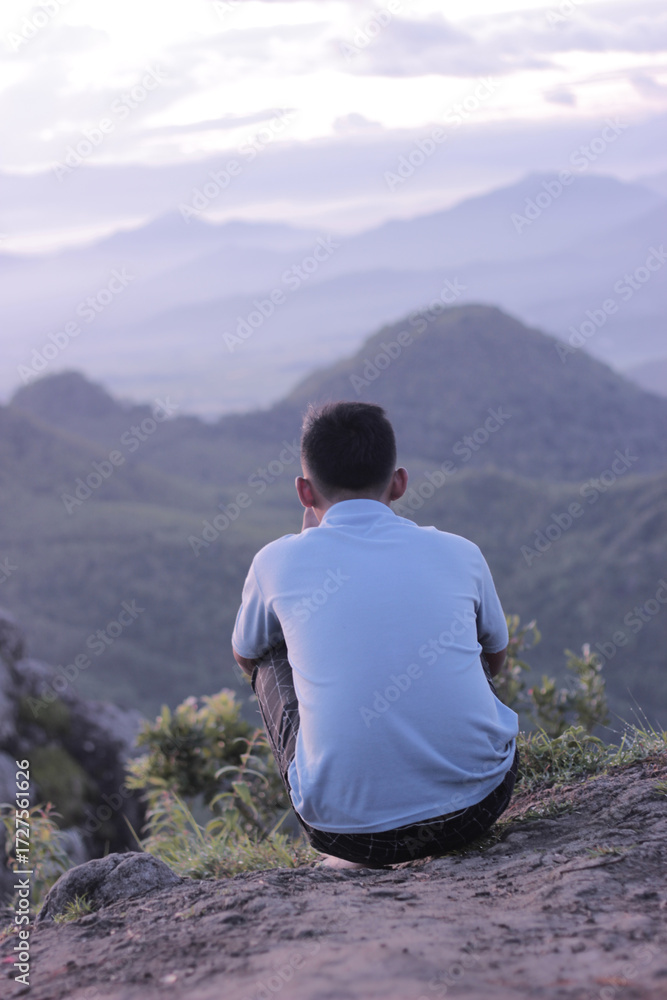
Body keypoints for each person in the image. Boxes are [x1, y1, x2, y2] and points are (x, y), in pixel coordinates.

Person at [232, 401, 519, 869]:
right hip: (479, 806)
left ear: (305, 492)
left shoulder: (275, 561)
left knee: (268, 654)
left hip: (346, 835)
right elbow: (497, 658)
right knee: (469, 639)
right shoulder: (460, 552)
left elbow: (245, 657)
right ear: (399, 482)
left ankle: (354, 796)